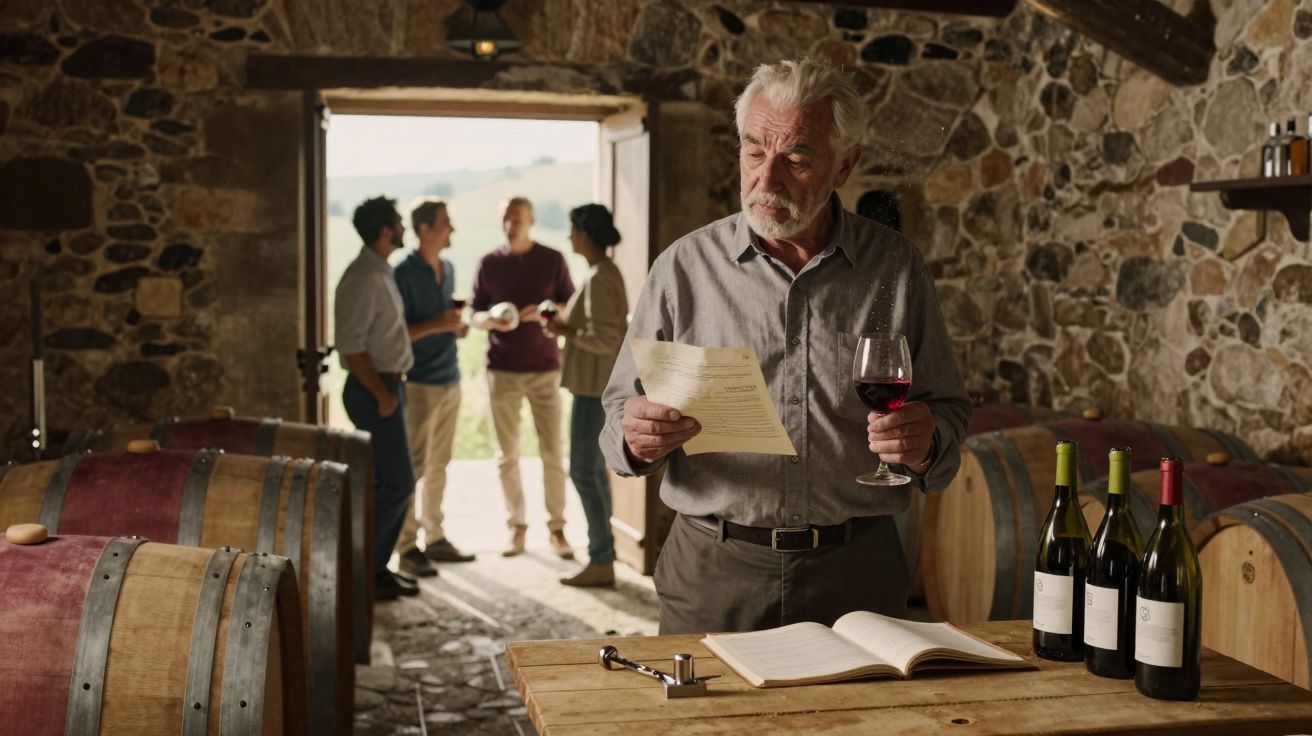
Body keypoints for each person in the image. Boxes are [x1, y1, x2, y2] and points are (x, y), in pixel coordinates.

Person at [599, 59, 972, 634]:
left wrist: (925, 445)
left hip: (858, 573)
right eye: (754, 151)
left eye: (796, 156)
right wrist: (635, 435)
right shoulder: (682, 268)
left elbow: (946, 411)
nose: (766, 180)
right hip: (712, 572)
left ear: (844, 163)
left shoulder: (894, 268)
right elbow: (618, 414)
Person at [470, 197, 577, 558]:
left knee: (552, 452)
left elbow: (570, 305)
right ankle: (516, 528)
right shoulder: (489, 263)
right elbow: (473, 312)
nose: (510, 225)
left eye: (516, 219)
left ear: (531, 220)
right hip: (501, 369)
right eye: (505, 218)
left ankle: (557, 530)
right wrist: (490, 320)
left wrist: (543, 311)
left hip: (545, 368)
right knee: (507, 454)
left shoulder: (552, 259)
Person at [335, 196, 422, 601]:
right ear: (386, 229)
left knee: (390, 482)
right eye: (400, 222)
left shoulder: (378, 271)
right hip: (376, 391)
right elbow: (351, 348)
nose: (404, 228)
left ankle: (376, 570)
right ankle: (366, 574)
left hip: (389, 387)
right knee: (397, 483)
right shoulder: (364, 277)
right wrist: (382, 394)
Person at [392, 197, 476, 579]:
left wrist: (456, 328)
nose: (452, 229)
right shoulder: (402, 274)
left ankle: (435, 536)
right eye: (445, 223)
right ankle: (406, 547)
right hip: (419, 383)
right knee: (412, 468)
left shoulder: (449, 268)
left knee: (440, 464)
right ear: (425, 230)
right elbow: (397, 334)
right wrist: (439, 324)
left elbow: (446, 323)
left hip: (449, 378)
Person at [548, 205, 628, 587]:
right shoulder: (602, 273)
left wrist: (567, 330)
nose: (569, 238)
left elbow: (606, 337)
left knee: (584, 471)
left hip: (594, 390)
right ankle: (603, 556)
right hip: (594, 387)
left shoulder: (600, 277)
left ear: (585, 234)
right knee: (593, 473)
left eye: (572, 231)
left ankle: (600, 558)